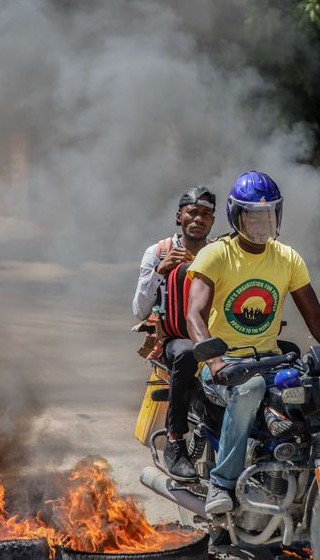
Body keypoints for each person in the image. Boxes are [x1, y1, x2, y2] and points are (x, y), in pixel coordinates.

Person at [186, 170, 320, 514]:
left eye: (268, 215)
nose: (261, 224)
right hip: (226, 367)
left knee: (317, 393)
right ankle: (221, 482)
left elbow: (317, 318)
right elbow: (194, 315)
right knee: (250, 388)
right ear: (235, 216)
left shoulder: (288, 258)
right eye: (252, 216)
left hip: (272, 361)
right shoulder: (216, 255)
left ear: (278, 215)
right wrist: (215, 362)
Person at [133, 186, 216, 480]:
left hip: (217, 336)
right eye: (192, 212)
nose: (198, 219)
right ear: (178, 215)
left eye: (206, 214)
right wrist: (160, 270)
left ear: (213, 221)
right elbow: (139, 311)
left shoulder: (220, 252)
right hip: (175, 338)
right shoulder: (158, 252)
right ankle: (175, 441)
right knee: (185, 352)